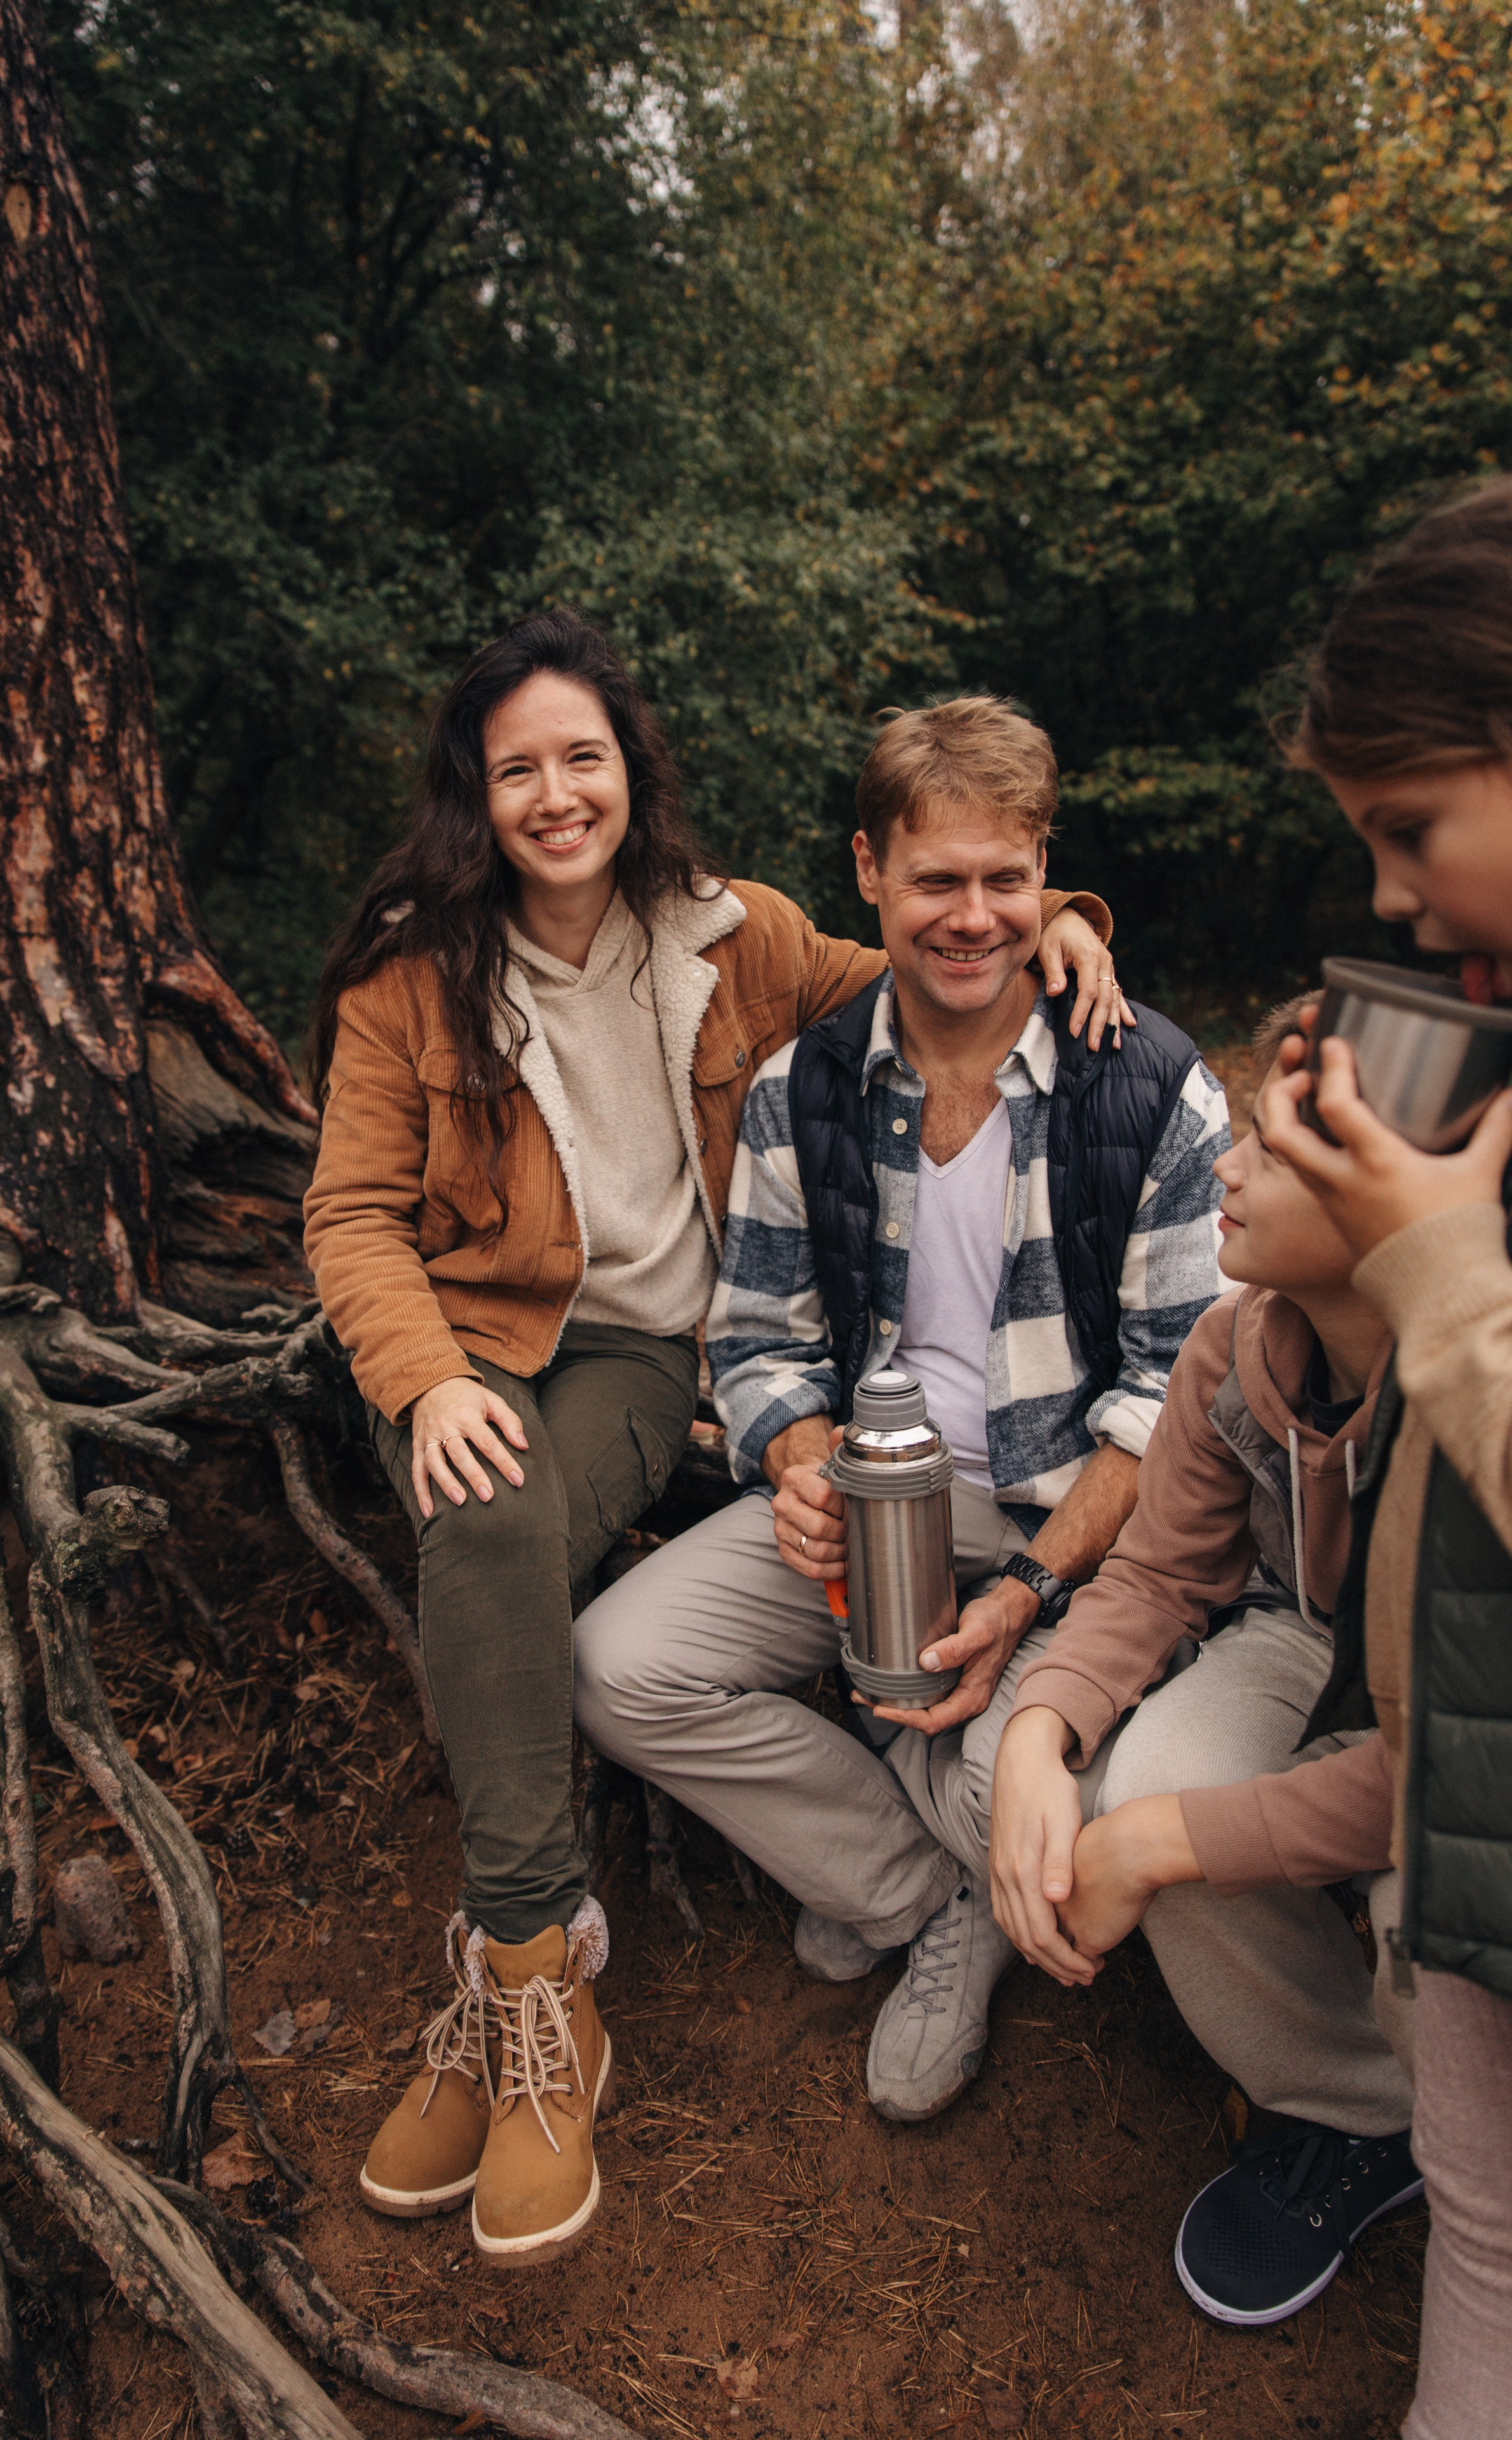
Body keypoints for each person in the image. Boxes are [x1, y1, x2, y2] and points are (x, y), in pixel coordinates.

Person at [302, 612, 1119, 2267]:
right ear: (477, 788)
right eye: (516, 767)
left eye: (581, 759)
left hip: (642, 1347)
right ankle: (537, 1984)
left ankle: (541, 1990)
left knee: (516, 1529)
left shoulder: (728, 935)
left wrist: (1075, 932)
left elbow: (937, 947)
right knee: (480, 1500)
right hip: (473, 1334)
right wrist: (426, 1379)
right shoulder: (409, 972)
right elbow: (349, 1214)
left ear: (629, 772)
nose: (553, 795)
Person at [574, 693, 1228, 2126]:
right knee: (621, 1666)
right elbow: (754, 1334)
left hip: (1075, 1523)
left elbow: (1173, 1402)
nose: (973, 916)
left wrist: (1037, 1588)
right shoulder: (799, 1091)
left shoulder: (1153, 1088)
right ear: (867, 872)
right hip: (877, 1500)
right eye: (936, 879)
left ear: (1048, 878)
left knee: (1037, 1796)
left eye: (1007, 879)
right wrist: (800, 1460)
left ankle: (958, 1842)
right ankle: (917, 1891)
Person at [990, 1001, 1419, 2332]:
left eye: (1273, 1157)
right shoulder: (1234, 1344)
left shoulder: (1475, 1389)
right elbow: (1160, 1573)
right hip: (1305, 1632)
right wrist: (1033, 1730)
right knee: (1149, 1780)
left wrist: (1165, 1841)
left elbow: (1451, 1766)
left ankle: (1470, 2130)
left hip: (1456, 1711)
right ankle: (1359, 2109)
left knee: (1407, 1905)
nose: (1222, 1171)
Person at [1246, 479, 1512, 2440]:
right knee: (1486, 2239)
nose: (1401, 904)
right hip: (1472, 1819)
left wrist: (1418, 1268)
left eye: (1414, 831)